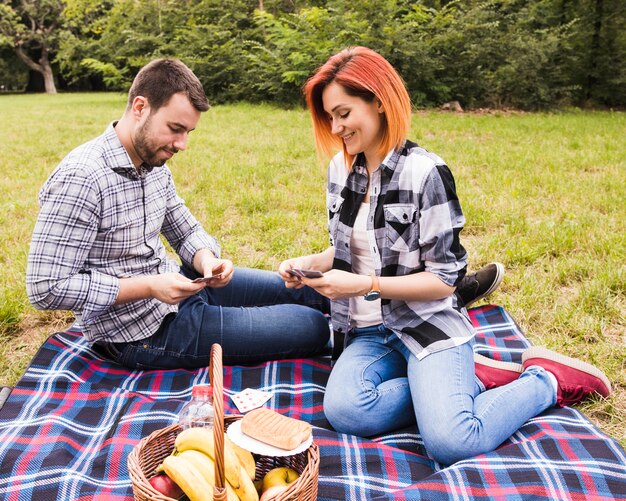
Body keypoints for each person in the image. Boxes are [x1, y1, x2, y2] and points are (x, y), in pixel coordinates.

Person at [25, 58, 501, 372]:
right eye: (175, 129)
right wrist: (148, 286)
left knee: (318, 292)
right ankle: (444, 301)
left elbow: (180, 224)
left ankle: (442, 294)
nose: (182, 144)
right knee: (319, 327)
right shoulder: (82, 177)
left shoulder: (151, 160)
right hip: (144, 331)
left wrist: (207, 259)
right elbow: (44, 287)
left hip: (186, 290)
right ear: (139, 107)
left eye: (188, 132)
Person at [278, 46, 611, 465]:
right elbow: (353, 247)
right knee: (346, 411)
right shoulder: (339, 171)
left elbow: (446, 279)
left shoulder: (425, 172)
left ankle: (543, 380)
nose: (337, 127)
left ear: (378, 101)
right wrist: (312, 263)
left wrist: (365, 284)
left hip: (427, 323)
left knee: (454, 442)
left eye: (344, 113)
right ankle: (458, 383)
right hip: (366, 334)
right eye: (330, 117)